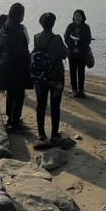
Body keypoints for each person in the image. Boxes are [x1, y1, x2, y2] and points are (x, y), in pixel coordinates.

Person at [32, 12, 68, 144]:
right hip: (56, 76)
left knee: (40, 104)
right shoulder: (57, 38)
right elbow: (65, 54)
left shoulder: (36, 37)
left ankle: (41, 133)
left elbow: (34, 53)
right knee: (55, 105)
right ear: (53, 23)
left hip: (40, 76)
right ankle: (54, 133)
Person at [0, 2, 31, 132]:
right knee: (19, 94)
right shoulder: (18, 29)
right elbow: (22, 47)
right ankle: (15, 120)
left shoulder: (5, 26)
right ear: (20, 15)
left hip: (6, 64)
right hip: (18, 65)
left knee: (11, 93)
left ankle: (10, 119)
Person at [63, 9, 92, 98]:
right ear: (73, 17)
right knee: (72, 71)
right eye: (76, 16)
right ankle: (74, 89)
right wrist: (72, 48)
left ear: (82, 17)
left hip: (82, 53)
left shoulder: (86, 27)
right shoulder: (70, 27)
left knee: (81, 72)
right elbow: (66, 39)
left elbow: (88, 40)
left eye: (79, 16)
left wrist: (79, 49)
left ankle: (81, 89)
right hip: (72, 53)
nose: (77, 18)